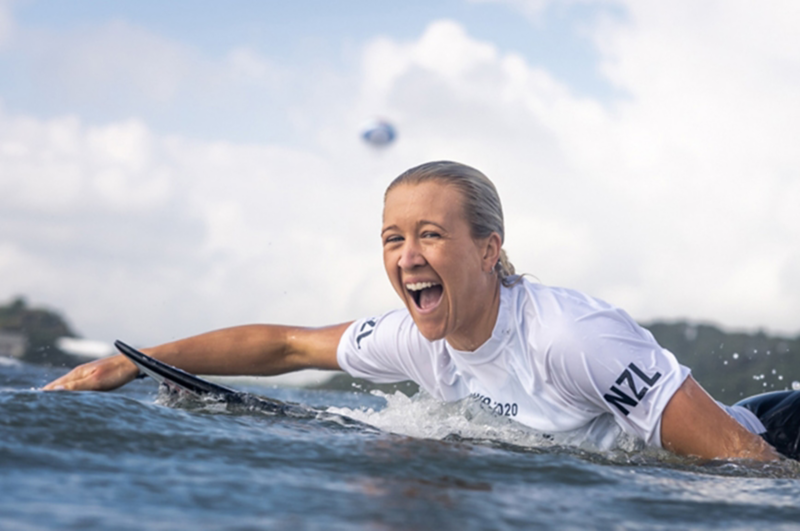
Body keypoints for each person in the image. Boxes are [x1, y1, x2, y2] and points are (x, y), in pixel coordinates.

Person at [45, 161, 791, 461]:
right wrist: (127, 361)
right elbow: (284, 346)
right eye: (393, 238)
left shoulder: (571, 337)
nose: (406, 256)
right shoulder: (411, 337)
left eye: (430, 234)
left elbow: (743, 462)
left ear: (490, 248)